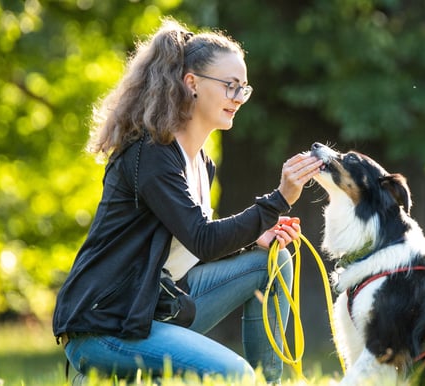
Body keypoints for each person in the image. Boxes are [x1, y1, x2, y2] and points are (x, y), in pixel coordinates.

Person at [52, 18, 323, 385]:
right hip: (105, 327)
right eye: (230, 86)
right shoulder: (152, 155)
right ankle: (102, 374)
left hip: (150, 307)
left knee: (272, 262)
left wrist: (254, 236)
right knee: (234, 375)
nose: (237, 98)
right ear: (191, 83)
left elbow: (187, 247)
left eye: (244, 89)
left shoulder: (199, 163)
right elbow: (202, 238)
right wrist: (278, 200)